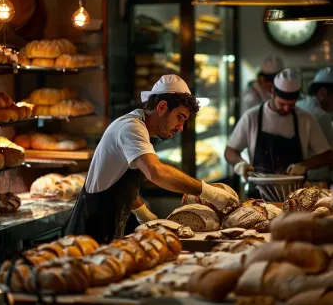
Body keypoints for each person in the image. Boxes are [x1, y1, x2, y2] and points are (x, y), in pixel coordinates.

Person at [66, 74, 239, 243]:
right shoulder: (131, 127)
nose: (180, 127)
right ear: (162, 107)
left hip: (104, 232)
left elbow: (117, 181)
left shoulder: (137, 126)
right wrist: (210, 193)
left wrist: (142, 212)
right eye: (180, 118)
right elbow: (156, 172)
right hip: (88, 236)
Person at [225, 68, 332, 198]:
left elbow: (327, 156)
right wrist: (240, 164)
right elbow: (230, 151)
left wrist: (304, 166)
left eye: (291, 105)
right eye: (282, 104)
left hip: (296, 197)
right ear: (272, 92)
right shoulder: (252, 117)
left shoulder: (305, 119)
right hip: (258, 196)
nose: (286, 108)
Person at [297, 67, 333, 184]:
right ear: (322, 93)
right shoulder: (320, 116)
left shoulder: (300, 106)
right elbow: (329, 155)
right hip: (315, 182)